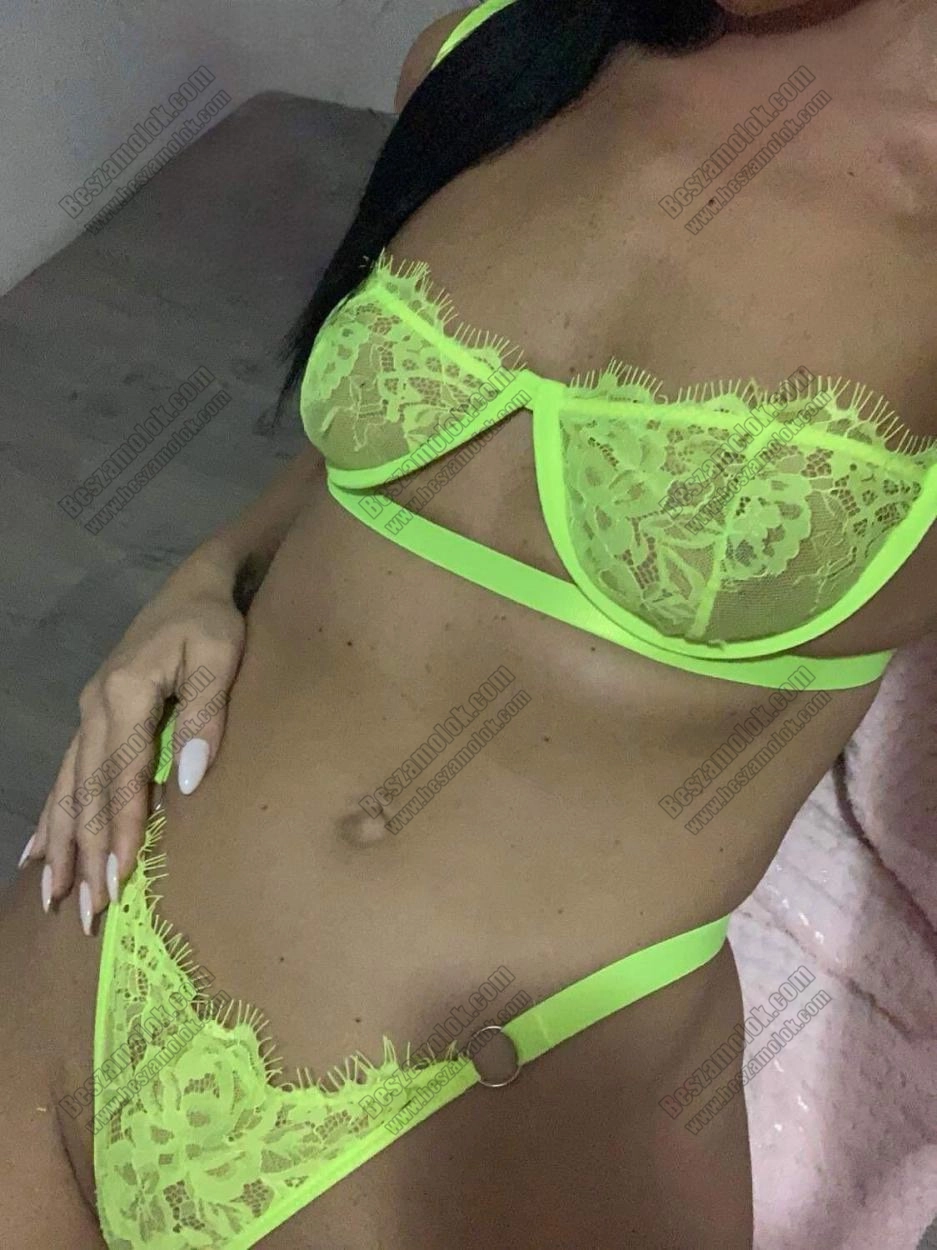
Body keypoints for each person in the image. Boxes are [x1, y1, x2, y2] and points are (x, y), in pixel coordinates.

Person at [3, 0, 936, 1245]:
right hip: (93, 937)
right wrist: (209, 567)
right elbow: (406, 458)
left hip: (494, 1109)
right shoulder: (499, 55)